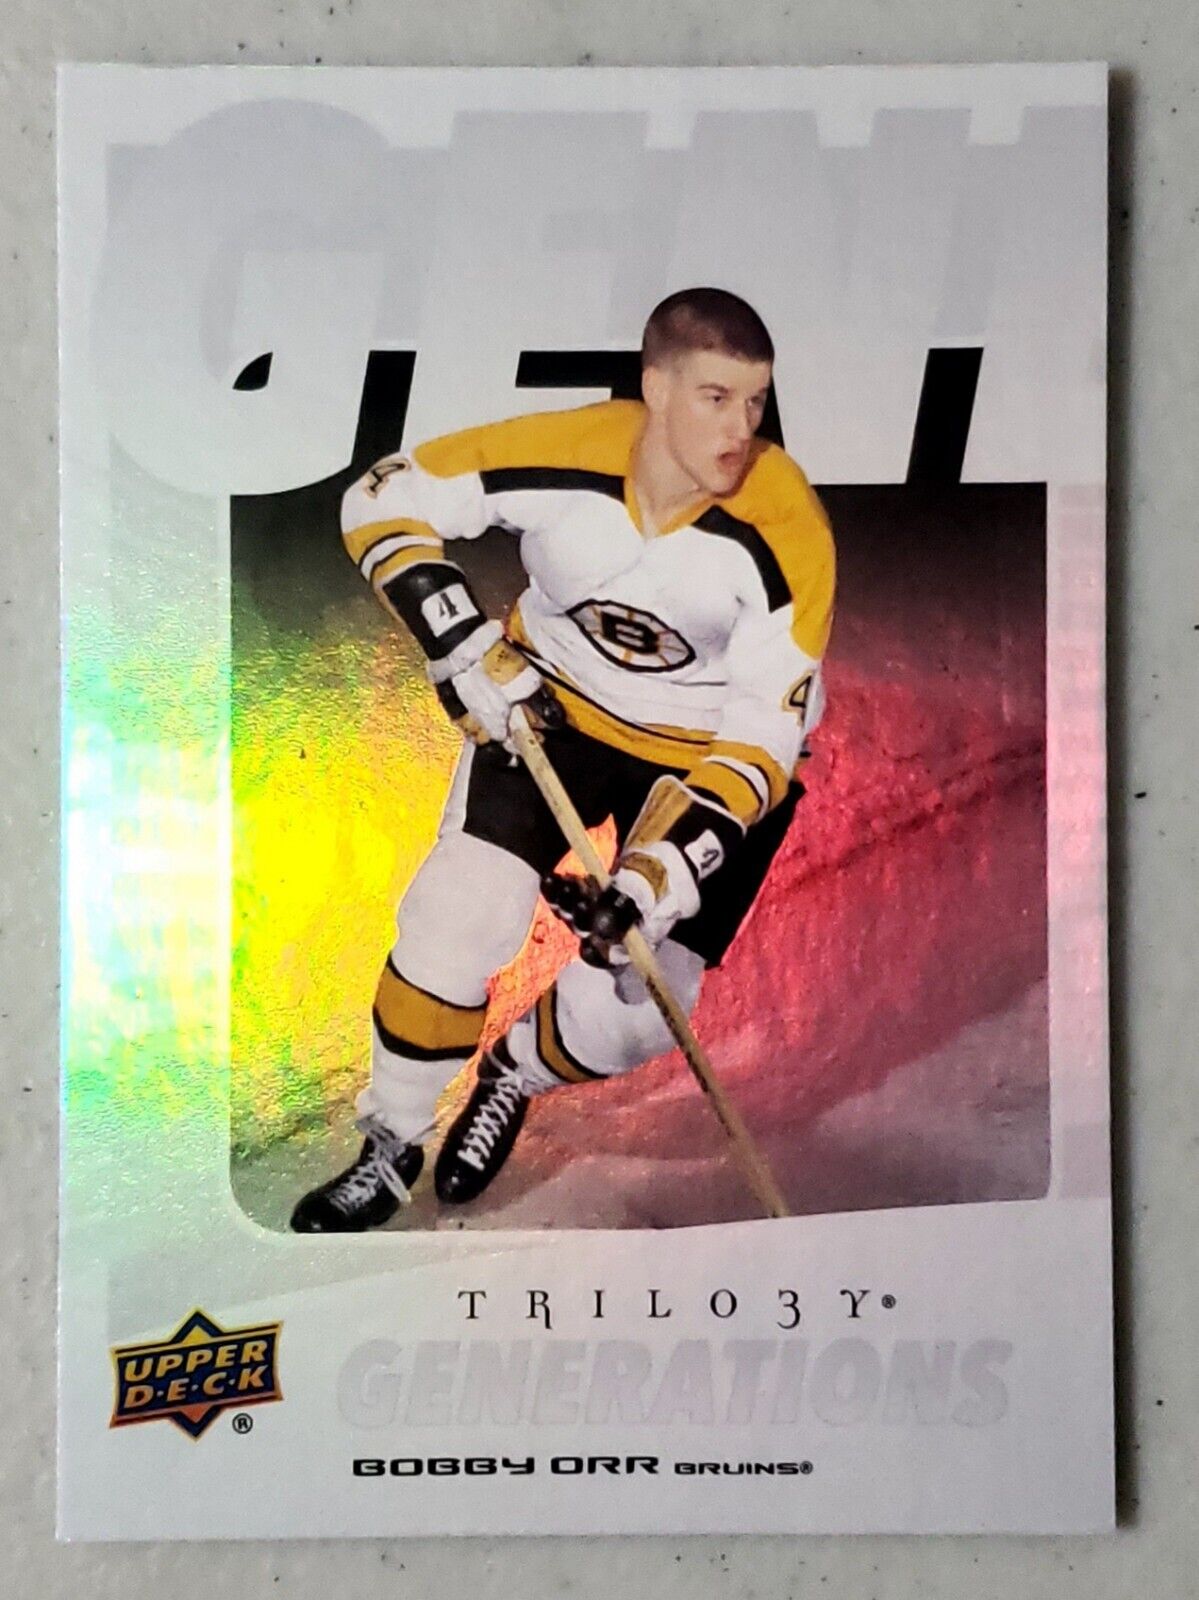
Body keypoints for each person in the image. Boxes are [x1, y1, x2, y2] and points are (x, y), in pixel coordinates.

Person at [290, 287, 835, 1232]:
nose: (740, 429)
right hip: (553, 712)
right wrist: (458, 640)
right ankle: (392, 1139)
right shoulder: (568, 448)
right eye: (714, 398)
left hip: (706, 761)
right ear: (653, 387)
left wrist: (656, 878)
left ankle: (513, 1071)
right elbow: (383, 494)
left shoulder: (787, 530)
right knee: (453, 918)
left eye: (754, 401)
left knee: (634, 1014)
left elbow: (761, 744)